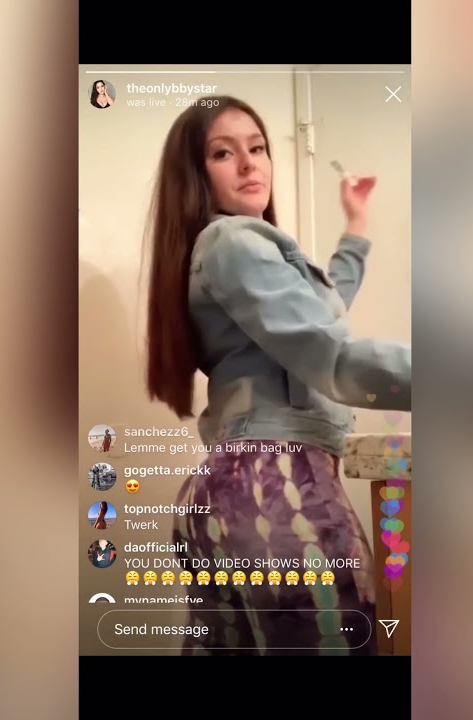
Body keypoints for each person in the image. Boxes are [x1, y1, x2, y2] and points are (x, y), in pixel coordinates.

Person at [143, 96, 411, 655]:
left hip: (222, 500)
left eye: (258, 147)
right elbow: (333, 355)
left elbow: (319, 317)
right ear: (195, 176)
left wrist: (355, 227)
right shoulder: (233, 240)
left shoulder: (220, 252)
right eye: (223, 153)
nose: (249, 163)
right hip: (278, 489)